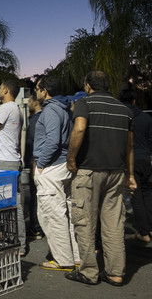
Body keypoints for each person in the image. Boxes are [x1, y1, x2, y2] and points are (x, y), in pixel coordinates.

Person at [65, 71, 136, 286]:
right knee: (114, 223)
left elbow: (79, 128)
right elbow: (129, 146)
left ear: (88, 85)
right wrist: (130, 175)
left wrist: (71, 158)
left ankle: (89, 272)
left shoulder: (84, 103)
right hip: (116, 172)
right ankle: (115, 272)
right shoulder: (124, 110)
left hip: (89, 171)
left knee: (85, 222)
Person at [33, 76, 79, 271]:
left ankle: (63, 260)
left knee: (52, 215)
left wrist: (41, 164)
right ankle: (74, 256)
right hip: (61, 166)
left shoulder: (51, 110)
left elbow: (53, 140)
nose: (35, 92)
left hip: (52, 167)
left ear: (44, 91)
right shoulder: (64, 108)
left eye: (37, 88)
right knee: (65, 215)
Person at [0, 79, 27, 256]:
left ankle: (17, 243)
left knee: (9, 204)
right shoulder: (17, 109)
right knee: (11, 203)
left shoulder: (5, 107)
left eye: (0, 88)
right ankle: (15, 241)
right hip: (12, 160)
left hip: (4, 161)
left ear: (7, 90)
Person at [119, 89, 152, 243]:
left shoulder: (121, 117)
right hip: (146, 159)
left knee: (136, 197)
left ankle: (144, 232)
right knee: (147, 194)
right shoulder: (146, 117)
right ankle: (149, 227)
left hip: (131, 161)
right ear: (134, 100)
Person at [25, 91, 43, 239]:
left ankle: (35, 228)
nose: (28, 103)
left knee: (35, 197)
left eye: (30, 100)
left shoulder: (36, 121)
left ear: (36, 102)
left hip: (35, 163)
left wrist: (34, 165)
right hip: (40, 163)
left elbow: (33, 143)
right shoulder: (39, 118)